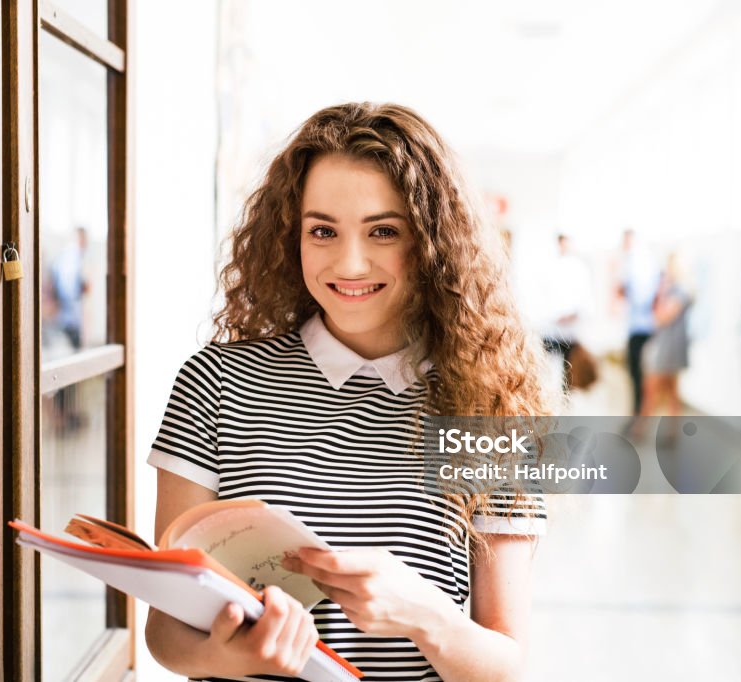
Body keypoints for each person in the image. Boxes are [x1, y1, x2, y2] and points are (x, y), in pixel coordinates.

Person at [144, 103, 554, 682]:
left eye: (383, 231)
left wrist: (427, 616)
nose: (350, 262)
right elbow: (165, 633)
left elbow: (508, 667)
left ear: (433, 242)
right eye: (323, 231)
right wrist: (237, 657)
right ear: (294, 238)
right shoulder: (213, 382)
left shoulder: (492, 406)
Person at [637, 254, 692, 430]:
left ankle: (646, 427)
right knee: (668, 390)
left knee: (659, 389)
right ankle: (669, 430)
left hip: (670, 348)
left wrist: (660, 295)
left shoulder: (680, 292)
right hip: (664, 345)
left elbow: (662, 317)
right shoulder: (669, 290)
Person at [540, 233, 593, 390]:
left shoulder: (579, 269)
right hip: (550, 330)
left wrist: (571, 316)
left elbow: (585, 302)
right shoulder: (549, 267)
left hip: (570, 333)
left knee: (568, 377)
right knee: (547, 374)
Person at [616, 229, 659, 418]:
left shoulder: (638, 262)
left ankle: (640, 415)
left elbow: (642, 298)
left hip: (643, 327)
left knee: (639, 374)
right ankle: (637, 413)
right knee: (636, 373)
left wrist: (626, 290)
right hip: (638, 326)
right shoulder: (634, 261)